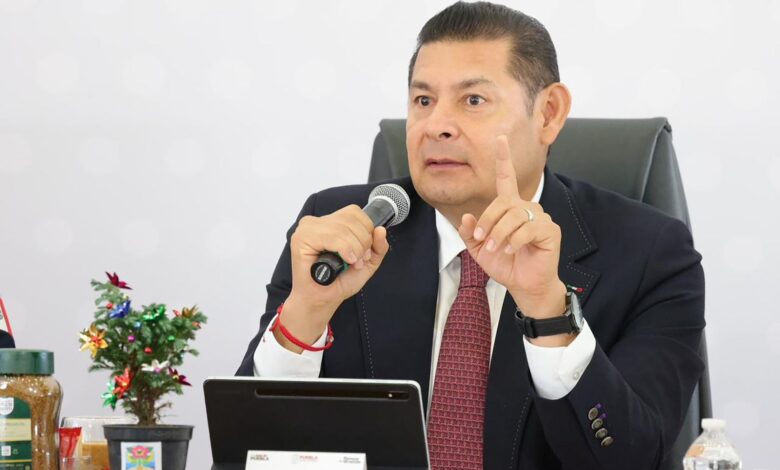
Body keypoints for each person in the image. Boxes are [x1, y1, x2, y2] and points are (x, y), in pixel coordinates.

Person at [237, 2, 705, 469]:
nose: (436, 126)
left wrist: (548, 311)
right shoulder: (339, 235)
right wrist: (305, 318)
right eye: (423, 101)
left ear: (548, 114)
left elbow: (631, 458)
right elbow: (248, 450)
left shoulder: (651, 255)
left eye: (473, 100)